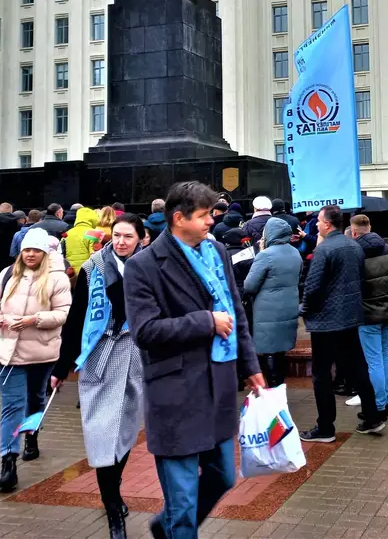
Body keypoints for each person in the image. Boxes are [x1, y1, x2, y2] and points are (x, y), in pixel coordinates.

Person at [124, 181, 264, 539]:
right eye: (202, 216)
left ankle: (166, 526)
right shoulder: (144, 265)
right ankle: (176, 527)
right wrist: (205, 321)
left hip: (217, 388)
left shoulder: (215, 251)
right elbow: (145, 332)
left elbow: (235, 312)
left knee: (223, 476)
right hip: (175, 393)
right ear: (178, 218)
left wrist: (250, 367)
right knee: (183, 503)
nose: (210, 222)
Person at [52, 214, 147, 539]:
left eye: (128, 237)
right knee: (102, 434)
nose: (121, 242)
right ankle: (112, 511)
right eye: (117, 236)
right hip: (100, 355)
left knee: (126, 433)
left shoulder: (150, 268)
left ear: (140, 239)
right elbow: (77, 318)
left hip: (135, 355)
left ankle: (114, 487)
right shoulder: (93, 268)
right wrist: (62, 365)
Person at [0, 228, 71, 492]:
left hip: (41, 352)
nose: (30, 254)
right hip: (5, 350)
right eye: (26, 250)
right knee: (12, 406)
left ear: (45, 252)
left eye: (35, 250)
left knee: (35, 399)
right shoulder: (7, 273)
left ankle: (31, 436)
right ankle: (8, 462)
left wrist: (35, 319)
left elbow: (63, 313)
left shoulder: (57, 279)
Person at [299, 205, 386, 441]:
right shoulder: (353, 246)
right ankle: (372, 416)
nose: (316, 224)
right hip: (350, 318)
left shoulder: (325, 249)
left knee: (322, 374)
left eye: (318, 221)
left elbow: (313, 286)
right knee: (357, 367)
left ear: (327, 224)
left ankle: (325, 427)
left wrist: (304, 308)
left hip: (327, 321)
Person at [349, 214, 388, 420]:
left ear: (353, 231)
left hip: (368, 313)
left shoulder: (355, 252)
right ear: (370, 226)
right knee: (384, 354)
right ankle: (386, 398)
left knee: (373, 361)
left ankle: (379, 405)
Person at [242, 217, 301, 387]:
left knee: (269, 351)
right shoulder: (294, 252)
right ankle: (280, 387)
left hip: (268, 311)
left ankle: (274, 389)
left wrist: (261, 251)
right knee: (280, 350)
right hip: (288, 308)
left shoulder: (266, 255)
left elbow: (249, 285)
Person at [65, 206, 101, 275]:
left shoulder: (67, 233)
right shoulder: (93, 233)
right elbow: (95, 256)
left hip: (70, 273)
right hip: (86, 273)